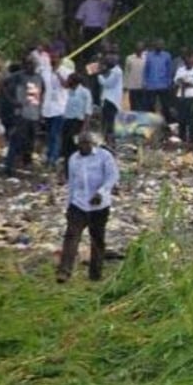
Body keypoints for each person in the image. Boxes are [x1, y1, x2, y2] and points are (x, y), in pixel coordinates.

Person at [57, 133, 119, 283]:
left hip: (99, 206)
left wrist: (101, 192)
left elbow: (112, 176)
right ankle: (64, 272)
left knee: (97, 240)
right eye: (81, 144)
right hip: (78, 204)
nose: (84, 147)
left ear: (93, 143)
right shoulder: (74, 159)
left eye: (87, 144)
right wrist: (69, 205)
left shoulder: (104, 156)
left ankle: (95, 275)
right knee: (71, 236)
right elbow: (72, 184)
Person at [1, 57, 44, 177]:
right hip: (20, 115)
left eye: (33, 64)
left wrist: (40, 112)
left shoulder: (39, 78)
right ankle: (8, 168)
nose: (31, 67)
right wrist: (12, 101)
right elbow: (3, 84)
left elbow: (42, 94)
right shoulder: (18, 76)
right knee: (15, 140)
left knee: (30, 141)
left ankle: (26, 165)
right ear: (25, 65)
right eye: (28, 64)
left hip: (34, 115)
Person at [40, 50, 70, 168]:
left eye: (55, 57)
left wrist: (57, 73)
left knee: (55, 134)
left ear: (61, 59)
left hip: (60, 108)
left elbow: (66, 85)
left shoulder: (66, 71)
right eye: (51, 57)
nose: (53, 60)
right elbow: (42, 88)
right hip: (47, 108)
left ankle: (53, 158)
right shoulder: (45, 72)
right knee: (49, 135)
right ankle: (49, 156)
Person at [60, 72, 92, 176]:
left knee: (77, 148)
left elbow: (88, 111)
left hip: (78, 123)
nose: (67, 81)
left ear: (74, 82)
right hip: (67, 122)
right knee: (66, 148)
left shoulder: (85, 92)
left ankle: (79, 172)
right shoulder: (68, 92)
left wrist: (84, 128)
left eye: (69, 79)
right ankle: (67, 172)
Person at [172, 53, 193, 145]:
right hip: (182, 97)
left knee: (192, 119)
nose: (188, 62)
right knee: (182, 119)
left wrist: (191, 85)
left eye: (190, 60)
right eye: (187, 61)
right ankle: (182, 138)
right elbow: (176, 81)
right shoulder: (180, 70)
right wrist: (181, 82)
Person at [142, 39, 173, 122]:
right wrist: (144, 82)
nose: (159, 46)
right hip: (151, 85)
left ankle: (168, 124)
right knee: (150, 105)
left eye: (161, 44)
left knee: (165, 106)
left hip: (163, 85)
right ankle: (152, 122)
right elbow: (146, 69)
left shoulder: (167, 55)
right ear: (154, 45)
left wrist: (169, 82)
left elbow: (169, 70)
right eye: (158, 44)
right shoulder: (149, 55)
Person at [97, 54, 123, 148]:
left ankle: (111, 143)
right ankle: (107, 141)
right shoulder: (112, 71)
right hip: (108, 99)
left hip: (111, 100)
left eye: (109, 61)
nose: (107, 63)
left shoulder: (116, 72)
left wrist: (99, 75)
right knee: (106, 121)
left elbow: (107, 84)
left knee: (109, 122)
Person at [123, 41, 146, 111]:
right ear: (135, 48)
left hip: (143, 86)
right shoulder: (129, 58)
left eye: (141, 47)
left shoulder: (146, 58)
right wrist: (125, 85)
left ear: (143, 49)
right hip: (132, 86)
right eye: (138, 47)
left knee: (143, 105)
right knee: (133, 105)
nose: (139, 49)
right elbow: (127, 72)